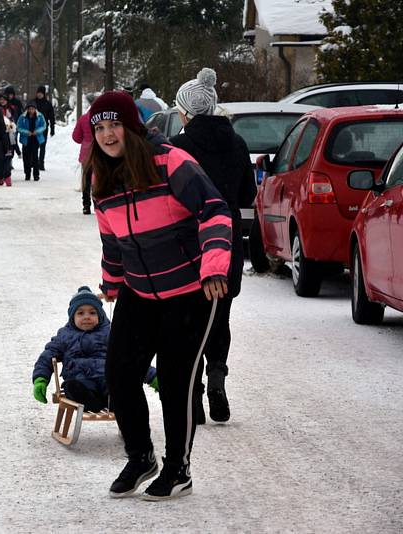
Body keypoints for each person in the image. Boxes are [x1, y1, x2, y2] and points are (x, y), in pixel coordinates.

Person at [85, 91, 232, 500]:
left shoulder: (171, 161)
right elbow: (111, 239)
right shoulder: (103, 177)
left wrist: (214, 267)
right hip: (138, 289)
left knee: (175, 382)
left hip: (191, 289)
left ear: (131, 127)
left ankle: (177, 468)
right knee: (119, 374)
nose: (108, 135)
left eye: (114, 125)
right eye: (100, 128)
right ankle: (141, 455)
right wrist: (112, 282)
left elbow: (215, 210)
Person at [170, 68, 257, 424]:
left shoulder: (179, 147)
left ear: (186, 112)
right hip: (229, 238)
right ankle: (217, 373)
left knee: (189, 318)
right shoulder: (236, 143)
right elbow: (248, 194)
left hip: (190, 240)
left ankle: (192, 396)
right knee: (220, 314)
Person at [32, 287, 158, 413]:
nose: (86, 317)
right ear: (72, 317)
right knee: (72, 387)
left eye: (92, 313)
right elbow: (48, 355)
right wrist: (40, 379)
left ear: (100, 315)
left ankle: (115, 402)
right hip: (80, 380)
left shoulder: (110, 333)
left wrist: (153, 377)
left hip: (107, 379)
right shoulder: (65, 335)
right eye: (80, 313)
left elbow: (130, 356)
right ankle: (90, 402)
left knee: (121, 385)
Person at [72, 96, 96, 214]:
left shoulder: (83, 118)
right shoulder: (102, 119)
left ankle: (86, 205)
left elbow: (76, 137)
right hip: (101, 152)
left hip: (86, 152)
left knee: (86, 179)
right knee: (99, 179)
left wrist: (85, 140)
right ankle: (99, 204)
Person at [16, 101, 46, 181]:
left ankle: (36, 174)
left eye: (32, 109)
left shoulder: (40, 116)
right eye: (29, 109)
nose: (31, 110)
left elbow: (43, 126)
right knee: (26, 158)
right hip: (26, 139)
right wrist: (26, 132)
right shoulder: (22, 117)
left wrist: (37, 131)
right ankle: (27, 173)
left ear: (35, 109)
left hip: (36, 139)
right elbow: (18, 127)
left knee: (35, 157)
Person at [34, 85, 56, 171]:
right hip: (33, 127)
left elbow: (51, 117)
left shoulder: (47, 104)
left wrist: (52, 128)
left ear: (44, 94)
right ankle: (34, 162)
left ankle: (41, 163)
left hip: (43, 127)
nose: (39, 95)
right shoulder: (33, 102)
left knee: (42, 145)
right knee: (34, 146)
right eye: (38, 93)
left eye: (41, 93)